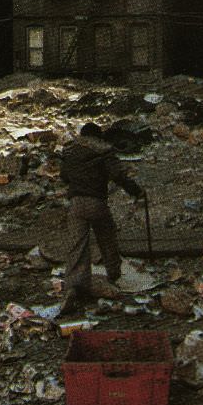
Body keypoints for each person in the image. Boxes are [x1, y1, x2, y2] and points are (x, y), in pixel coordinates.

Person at [59, 122, 144, 314]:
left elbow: (64, 176)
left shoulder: (70, 151)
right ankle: (113, 274)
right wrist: (136, 191)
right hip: (97, 203)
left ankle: (74, 287)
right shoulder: (104, 151)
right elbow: (118, 176)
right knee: (107, 237)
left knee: (77, 246)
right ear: (98, 136)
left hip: (76, 203)